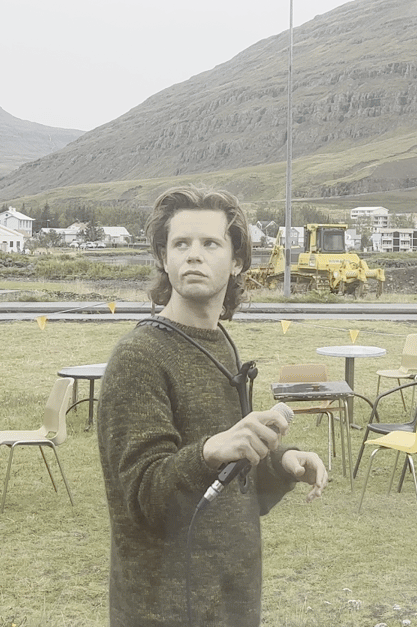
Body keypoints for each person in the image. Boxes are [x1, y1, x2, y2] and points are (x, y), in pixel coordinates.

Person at [97, 185, 329, 627]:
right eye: (180, 244)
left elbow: (228, 484)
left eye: (210, 244)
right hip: (165, 609)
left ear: (237, 260)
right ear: (163, 258)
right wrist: (208, 451)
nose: (193, 255)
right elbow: (142, 500)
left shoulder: (222, 344)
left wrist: (281, 463)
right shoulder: (139, 357)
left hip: (233, 598)